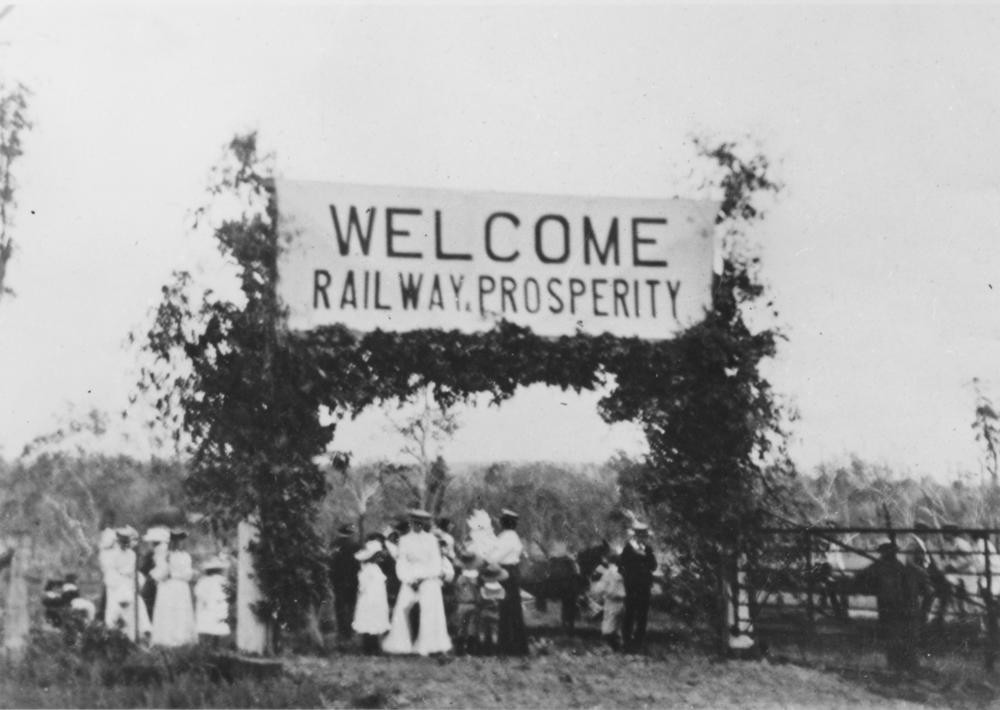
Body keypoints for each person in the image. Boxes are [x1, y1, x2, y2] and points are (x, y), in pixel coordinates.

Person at [849, 539, 931, 673]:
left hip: (889, 607)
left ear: (883, 552)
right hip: (902, 608)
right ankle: (906, 665)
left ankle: (896, 665)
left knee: (892, 636)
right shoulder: (899, 567)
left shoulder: (880, 567)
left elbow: (860, 578)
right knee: (902, 637)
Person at [382, 509, 452, 655]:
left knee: (429, 612)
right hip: (410, 579)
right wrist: (409, 579)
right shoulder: (405, 540)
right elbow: (401, 563)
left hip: (428, 580)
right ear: (411, 523)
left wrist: (423, 578)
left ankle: (429, 646)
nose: (417, 526)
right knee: (403, 610)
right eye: (415, 522)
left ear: (425, 524)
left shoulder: (432, 540)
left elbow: (436, 563)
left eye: (420, 523)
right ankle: (403, 645)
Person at [487, 508, 529, 656]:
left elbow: (494, 557)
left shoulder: (509, 537)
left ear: (504, 522)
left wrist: (488, 557)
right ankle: (512, 646)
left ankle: (509, 647)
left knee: (508, 610)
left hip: (507, 574)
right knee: (510, 609)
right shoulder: (507, 536)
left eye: (501, 520)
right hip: (508, 573)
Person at [103, 526, 152, 642]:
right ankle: (115, 632)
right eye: (122, 542)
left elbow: (134, 570)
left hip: (129, 583)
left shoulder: (132, 554)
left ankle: (136, 633)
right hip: (117, 583)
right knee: (117, 606)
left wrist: (135, 580)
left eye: (126, 542)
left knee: (136, 604)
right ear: (118, 541)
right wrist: (119, 583)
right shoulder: (112, 554)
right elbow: (110, 571)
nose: (124, 545)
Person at [151, 529, 197, 647]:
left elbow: (188, 574)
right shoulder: (163, 556)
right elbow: (160, 574)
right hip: (167, 587)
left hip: (181, 587)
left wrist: (175, 575)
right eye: (175, 541)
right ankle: (167, 639)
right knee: (168, 611)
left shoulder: (185, 556)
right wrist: (166, 565)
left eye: (180, 540)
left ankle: (181, 638)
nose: (178, 543)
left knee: (181, 611)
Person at [619, 522, 657, 653]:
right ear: (635, 536)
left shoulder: (648, 549)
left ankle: (639, 641)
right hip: (631, 585)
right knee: (629, 612)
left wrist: (646, 558)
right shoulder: (628, 548)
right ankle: (626, 640)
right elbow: (621, 565)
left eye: (644, 536)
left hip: (644, 585)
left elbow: (653, 565)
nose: (642, 538)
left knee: (642, 614)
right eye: (640, 536)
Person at [352, 538, 391, 655]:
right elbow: (363, 585)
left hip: (377, 598)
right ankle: (368, 648)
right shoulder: (367, 568)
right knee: (368, 622)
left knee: (375, 622)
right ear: (372, 556)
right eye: (377, 555)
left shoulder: (375, 568)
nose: (380, 558)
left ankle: (374, 646)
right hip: (369, 598)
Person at [329, 523, 361, 641]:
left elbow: (331, 564)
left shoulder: (334, 545)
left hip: (338, 581)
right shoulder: (356, 545)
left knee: (340, 607)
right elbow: (358, 565)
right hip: (353, 581)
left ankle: (342, 632)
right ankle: (349, 632)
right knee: (351, 606)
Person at [194, 556, 230, 647]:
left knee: (205, 626)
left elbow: (198, 593)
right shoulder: (222, 580)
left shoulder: (203, 581)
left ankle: (204, 644)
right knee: (216, 626)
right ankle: (214, 645)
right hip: (217, 606)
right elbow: (227, 593)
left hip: (206, 607)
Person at [593, 553, 627, 649]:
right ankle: (620, 644)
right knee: (617, 625)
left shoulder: (608, 573)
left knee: (608, 628)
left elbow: (599, 588)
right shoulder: (622, 572)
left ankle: (614, 646)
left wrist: (597, 592)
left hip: (611, 601)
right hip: (622, 602)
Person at [452, 551, 482, 655]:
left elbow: (456, 591)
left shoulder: (459, 578)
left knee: (461, 626)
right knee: (472, 627)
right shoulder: (476, 578)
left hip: (461, 604)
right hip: (473, 603)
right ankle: (471, 649)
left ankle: (459, 650)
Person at [139, 526, 170, 620]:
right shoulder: (153, 554)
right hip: (156, 582)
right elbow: (143, 569)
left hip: (160, 583)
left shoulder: (162, 552)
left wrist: (151, 577)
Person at [477, 564, 508, 653]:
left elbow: (481, 598)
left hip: (484, 612)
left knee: (482, 629)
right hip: (495, 612)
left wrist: (488, 598)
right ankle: (494, 648)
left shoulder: (483, 588)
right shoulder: (501, 589)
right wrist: (495, 599)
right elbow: (502, 598)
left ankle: (482, 648)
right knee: (494, 630)